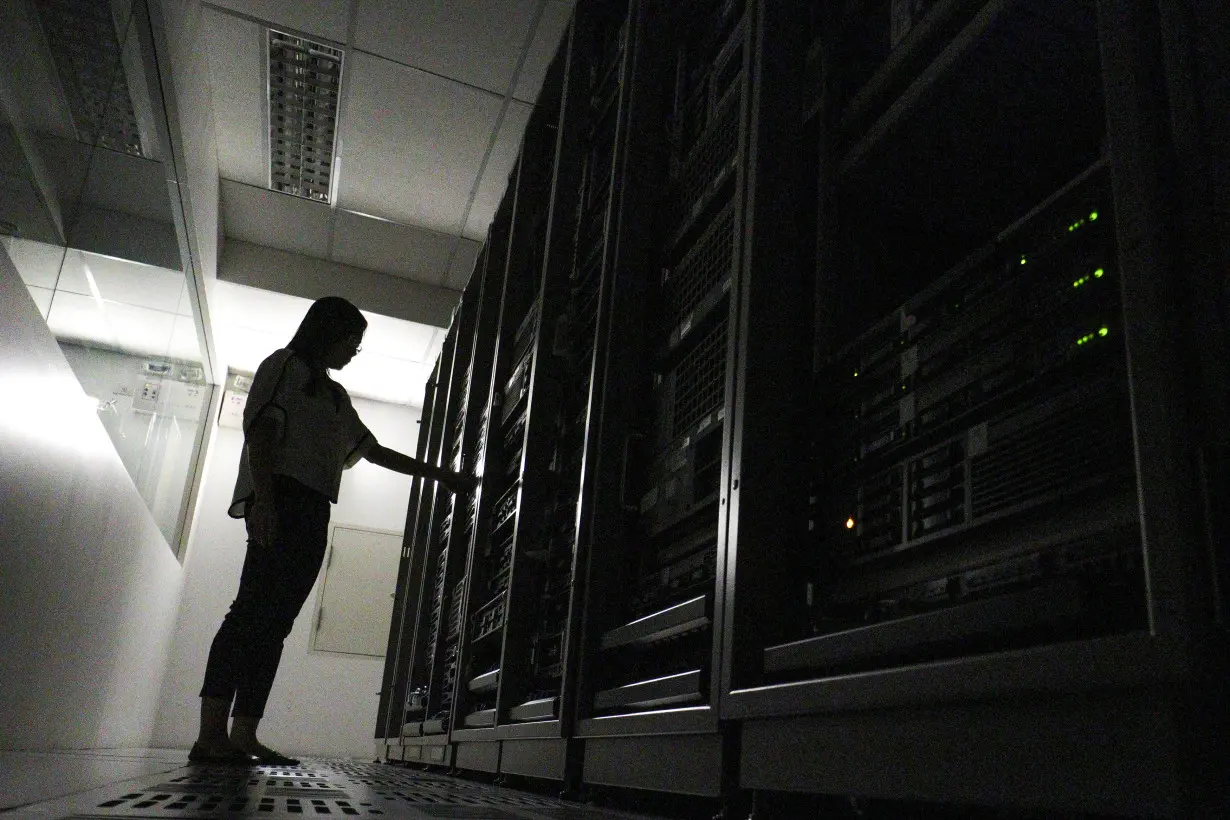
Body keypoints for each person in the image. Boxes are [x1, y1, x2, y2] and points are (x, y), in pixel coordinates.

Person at [189, 296, 474, 765]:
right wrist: (263, 501)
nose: (352, 353)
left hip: (314, 509)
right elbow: (260, 432)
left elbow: (375, 452)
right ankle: (210, 736)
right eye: (351, 342)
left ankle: (243, 736)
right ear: (326, 332)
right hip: (280, 498)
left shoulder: (335, 397)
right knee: (248, 614)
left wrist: (447, 478)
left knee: (276, 625)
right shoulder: (284, 366)